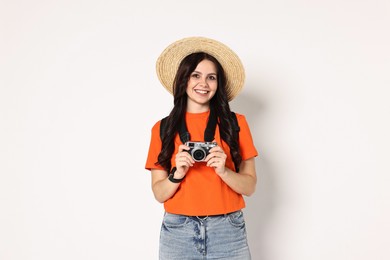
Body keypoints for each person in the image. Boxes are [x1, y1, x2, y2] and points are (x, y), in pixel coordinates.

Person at [145, 36, 258, 260]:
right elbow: (159, 194)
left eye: (211, 77)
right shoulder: (163, 128)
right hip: (178, 230)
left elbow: (250, 186)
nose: (203, 84)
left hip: (227, 228)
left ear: (218, 83)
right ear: (183, 80)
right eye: (195, 75)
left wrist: (224, 170)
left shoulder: (235, 124)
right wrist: (177, 173)